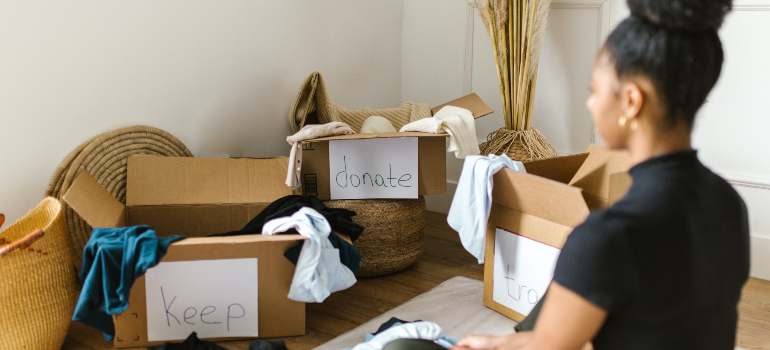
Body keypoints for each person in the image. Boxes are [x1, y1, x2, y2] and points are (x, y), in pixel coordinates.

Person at [448, 0, 749, 349]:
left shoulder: (607, 237)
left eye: (595, 90)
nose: (591, 103)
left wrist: (491, 346)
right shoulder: (730, 204)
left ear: (632, 101)